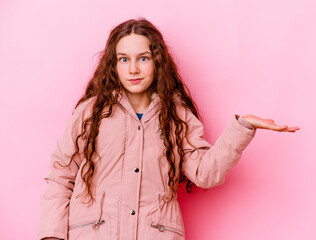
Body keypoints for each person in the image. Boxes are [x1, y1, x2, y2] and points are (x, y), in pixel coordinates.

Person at [37, 18, 300, 240]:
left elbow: (205, 173)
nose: (134, 69)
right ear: (113, 65)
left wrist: (242, 128)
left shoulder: (175, 115)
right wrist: (52, 236)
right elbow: (61, 176)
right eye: (124, 59)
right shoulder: (91, 112)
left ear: (157, 61)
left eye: (143, 58)